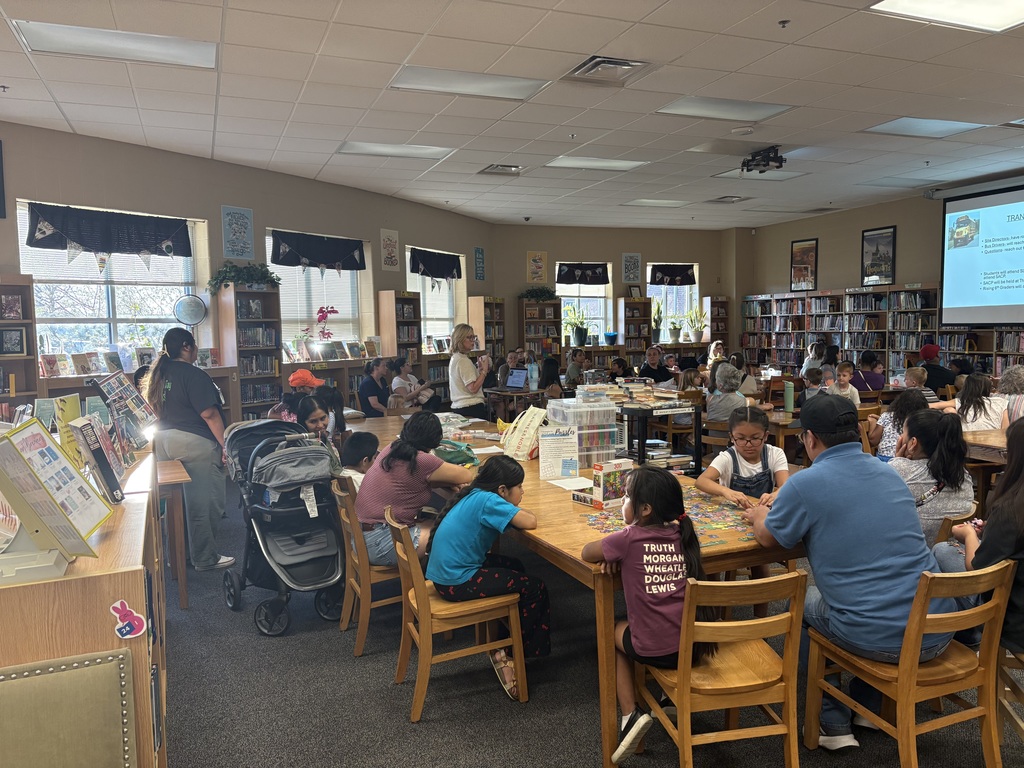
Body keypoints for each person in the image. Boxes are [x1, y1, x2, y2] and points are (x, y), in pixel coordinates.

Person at [741, 395, 955, 751]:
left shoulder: (805, 483)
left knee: (801, 605)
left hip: (881, 639)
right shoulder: (889, 473)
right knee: (869, 598)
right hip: (936, 629)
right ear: (858, 431)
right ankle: (868, 708)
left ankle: (832, 722)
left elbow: (767, 538)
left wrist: (758, 515)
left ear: (809, 438)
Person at [581, 465, 717, 765]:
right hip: (693, 645)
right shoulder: (682, 534)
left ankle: (630, 715)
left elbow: (586, 553)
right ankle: (667, 698)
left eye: (627, 497)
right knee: (650, 624)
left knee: (611, 630)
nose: (623, 502)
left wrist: (612, 553)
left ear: (644, 508)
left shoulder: (627, 539)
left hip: (655, 650)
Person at [427, 455, 551, 698]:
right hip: (457, 582)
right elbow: (530, 521)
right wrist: (514, 507)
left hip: (447, 575)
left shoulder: (476, 494)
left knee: (514, 565)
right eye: (520, 487)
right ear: (503, 490)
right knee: (535, 588)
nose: (523, 492)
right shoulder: (489, 501)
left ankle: (504, 641)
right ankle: (515, 654)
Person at [144, 328, 231, 571]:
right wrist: (225, 446)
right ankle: (204, 558)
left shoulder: (159, 375)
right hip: (193, 443)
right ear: (186, 346)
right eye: (194, 346)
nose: (195, 352)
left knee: (176, 502)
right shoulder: (194, 375)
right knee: (203, 502)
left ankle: (177, 555)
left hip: (162, 441)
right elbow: (209, 414)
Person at [354, 412, 473, 566]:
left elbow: (411, 480)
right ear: (436, 439)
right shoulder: (421, 460)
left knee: (436, 524)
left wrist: (443, 480)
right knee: (456, 532)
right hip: (381, 543)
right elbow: (466, 475)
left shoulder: (391, 448)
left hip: (361, 538)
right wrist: (447, 480)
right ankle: (441, 582)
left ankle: (429, 573)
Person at [948, 417, 1024, 654]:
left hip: (1013, 621)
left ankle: (964, 635)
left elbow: (976, 567)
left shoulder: (1012, 509)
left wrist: (970, 534)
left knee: (942, 550)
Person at [889, 408, 972, 545]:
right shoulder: (962, 474)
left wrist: (897, 461)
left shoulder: (899, 469)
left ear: (913, 443)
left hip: (913, 552)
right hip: (950, 548)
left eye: (903, 433)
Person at [930, 373, 1008, 432]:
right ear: (988, 388)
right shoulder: (1001, 402)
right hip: (996, 446)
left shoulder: (960, 401)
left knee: (948, 410)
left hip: (967, 445)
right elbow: (1005, 430)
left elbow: (932, 405)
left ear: (966, 387)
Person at [866, 388, 928, 462]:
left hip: (883, 459)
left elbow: (873, 440)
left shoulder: (887, 416)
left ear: (898, 402)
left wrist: (873, 422)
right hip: (909, 460)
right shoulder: (920, 421)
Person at [449, 323, 491, 420]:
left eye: (473, 337)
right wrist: (484, 371)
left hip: (459, 406)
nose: (473, 341)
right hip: (470, 406)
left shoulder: (455, 357)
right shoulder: (463, 360)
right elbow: (472, 388)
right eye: (469, 337)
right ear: (460, 339)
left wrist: (478, 371)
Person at [295, 395, 342, 473]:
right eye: (313, 421)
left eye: (323, 418)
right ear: (303, 422)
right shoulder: (303, 445)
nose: (320, 425)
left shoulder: (323, 439)